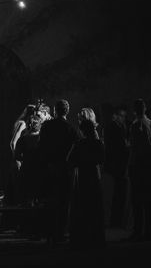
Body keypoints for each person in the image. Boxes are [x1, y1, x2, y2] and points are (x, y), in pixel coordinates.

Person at [37, 99, 78, 244]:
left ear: (55, 110)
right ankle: (60, 232)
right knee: (63, 201)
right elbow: (76, 148)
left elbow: (41, 146)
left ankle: (49, 232)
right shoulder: (70, 128)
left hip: (50, 167)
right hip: (64, 168)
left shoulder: (47, 126)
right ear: (67, 111)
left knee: (50, 200)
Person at [68, 119, 106, 250]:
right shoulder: (97, 143)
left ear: (82, 130)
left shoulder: (79, 144)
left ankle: (82, 235)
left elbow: (70, 160)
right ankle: (96, 235)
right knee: (95, 204)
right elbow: (102, 159)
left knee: (82, 204)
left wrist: (81, 161)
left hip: (83, 175)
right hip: (94, 175)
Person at [127, 98, 151, 242]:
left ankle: (138, 231)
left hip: (139, 165)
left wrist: (130, 165)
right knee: (149, 200)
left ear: (135, 110)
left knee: (137, 200)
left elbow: (133, 148)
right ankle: (149, 232)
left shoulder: (135, 125)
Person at [104, 106, 130, 228]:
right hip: (116, 164)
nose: (124, 118)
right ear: (115, 116)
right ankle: (116, 220)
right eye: (121, 116)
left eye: (124, 116)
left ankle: (117, 220)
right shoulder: (112, 128)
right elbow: (114, 147)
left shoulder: (120, 127)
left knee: (120, 193)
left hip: (119, 164)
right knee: (118, 193)